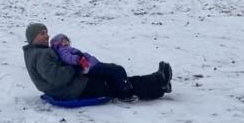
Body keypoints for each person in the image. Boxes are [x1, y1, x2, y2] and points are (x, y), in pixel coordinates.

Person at [22, 23, 172, 101]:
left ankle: (157, 80)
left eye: (47, 32)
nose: (47, 36)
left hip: (73, 85)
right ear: (33, 37)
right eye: (42, 34)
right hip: (73, 89)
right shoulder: (41, 55)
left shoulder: (36, 53)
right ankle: (158, 85)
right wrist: (74, 66)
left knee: (115, 78)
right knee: (115, 85)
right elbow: (57, 78)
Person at [50, 34, 134, 97]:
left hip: (91, 65)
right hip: (89, 67)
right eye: (63, 41)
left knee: (113, 69)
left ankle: (123, 86)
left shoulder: (68, 48)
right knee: (117, 70)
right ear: (58, 44)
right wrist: (77, 58)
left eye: (66, 40)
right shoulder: (62, 50)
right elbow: (67, 58)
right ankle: (125, 92)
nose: (66, 42)